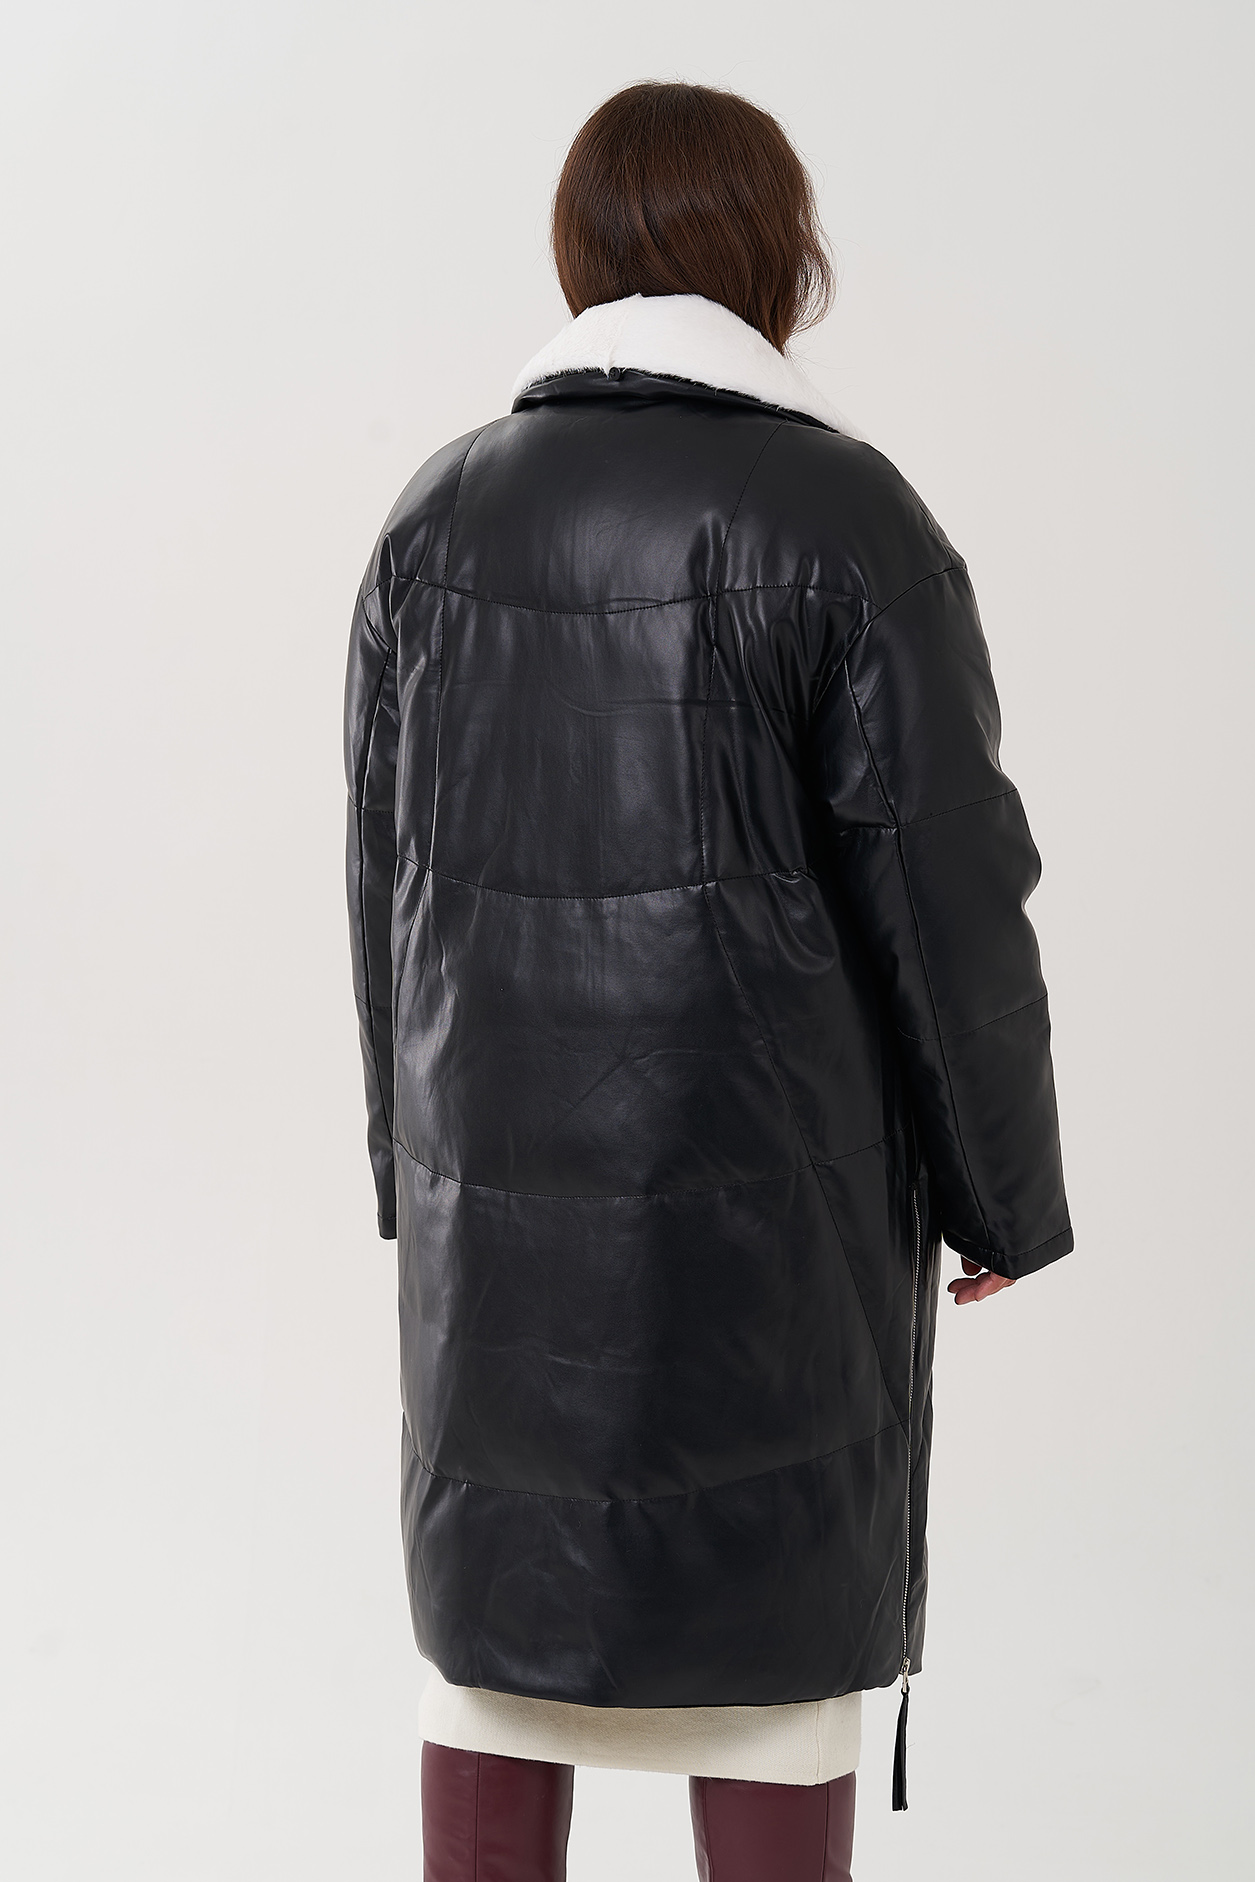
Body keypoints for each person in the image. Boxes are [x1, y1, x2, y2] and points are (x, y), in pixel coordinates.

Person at [344, 80, 1071, 1882]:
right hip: (773, 1262)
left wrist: (409, 1173)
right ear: (778, 259)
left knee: (495, 1673)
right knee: (767, 1674)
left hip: (497, 1273)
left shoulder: (435, 521)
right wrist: (1000, 1189)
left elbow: (387, 896)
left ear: (578, 256)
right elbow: (951, 884)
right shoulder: (841, 517)